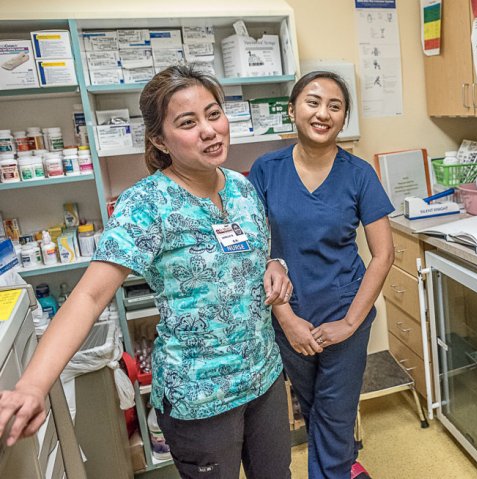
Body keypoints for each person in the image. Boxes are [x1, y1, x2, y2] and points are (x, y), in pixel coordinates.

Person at [0, 64, 293, 479]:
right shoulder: (148, 204)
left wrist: (274, 266)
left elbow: (254, 252)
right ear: (159, 139)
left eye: (214, 114)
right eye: (188, 122)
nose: (209, 130)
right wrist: (32, 386)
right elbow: (89, 296)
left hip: (263, 375)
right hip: (200, 395)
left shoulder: (240, 187)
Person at [249, 71, 395, 479]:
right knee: (315, 407)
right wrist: (288, 320)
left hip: (346, 308)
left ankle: (336, 467)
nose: (322, 113)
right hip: (289, 313)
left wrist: (349, 323)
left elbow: (384, 254)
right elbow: (256, 251)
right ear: (293, 109)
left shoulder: (358, 173)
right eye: (313, 102)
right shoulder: (265, 171)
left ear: (343, 118)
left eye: (335, 106)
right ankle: (347, 465)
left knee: (333, 412)